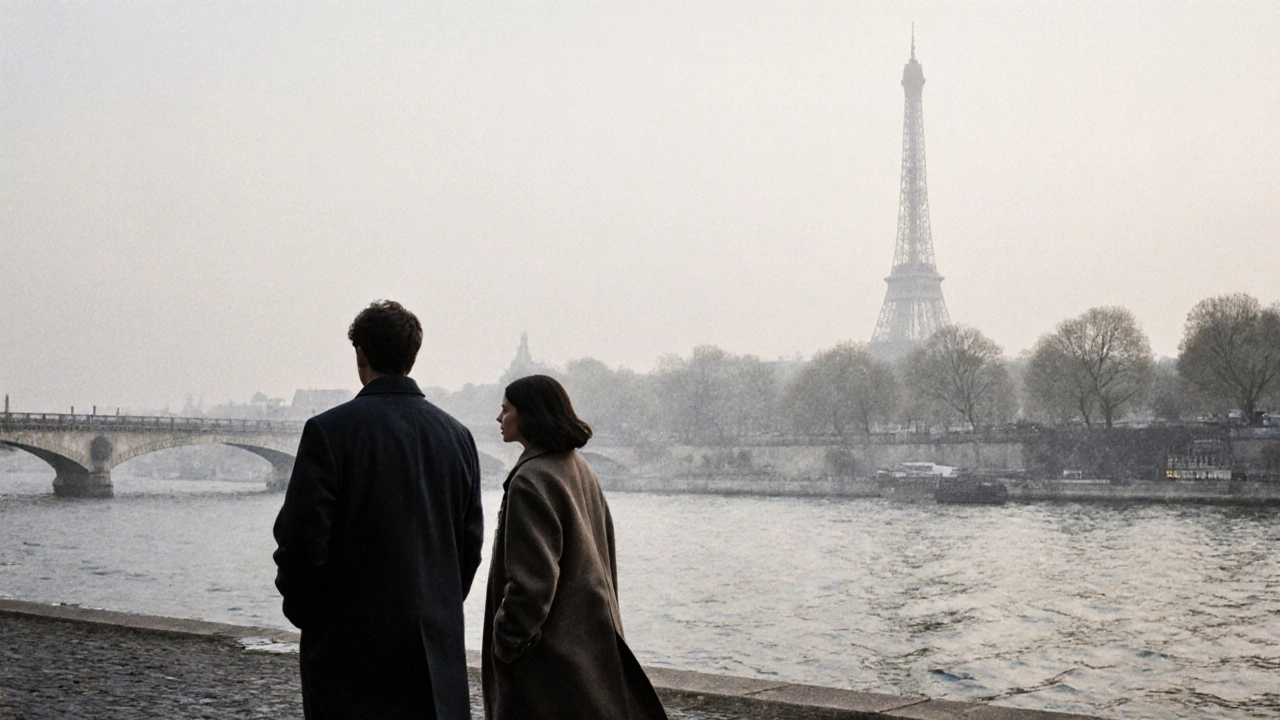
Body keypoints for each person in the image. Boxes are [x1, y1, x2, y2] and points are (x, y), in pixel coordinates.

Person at [273, 300, 484, 719]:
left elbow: (301, 543)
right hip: (433, 656)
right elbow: (469, 547)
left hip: (349, 654)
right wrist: (433, 606)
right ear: (412, 357)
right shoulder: (458, 438)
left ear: (360, 356)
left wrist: (310, 617)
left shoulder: (328, 432)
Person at [482, 374, 667, 720]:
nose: (498, 418)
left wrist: (506, 643)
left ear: (528, 416)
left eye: (506, 410)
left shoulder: (530, 480)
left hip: (548, 665)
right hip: (590, 652)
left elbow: (532, 585)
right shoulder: (579, 469)